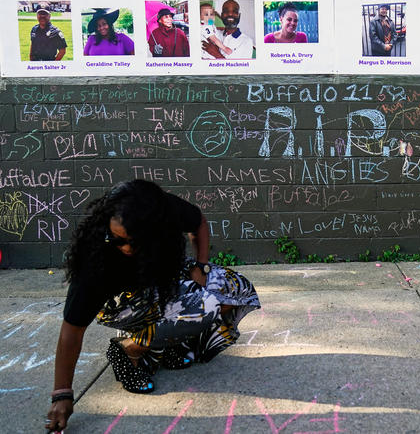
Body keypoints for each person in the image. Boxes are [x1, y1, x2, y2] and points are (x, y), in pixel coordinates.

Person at [45, 180, 260, 433]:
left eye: (134, 242)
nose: (125, 248)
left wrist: (201, 266)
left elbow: (199, 221)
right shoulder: (96, 263)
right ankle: (130, 348)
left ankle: (165, 345)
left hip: (157, 284)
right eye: (115, 239)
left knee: (237, 290)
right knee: (205, 305)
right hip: (120, 305)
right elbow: (72, 331)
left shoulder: (163, 211)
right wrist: (62, 394)